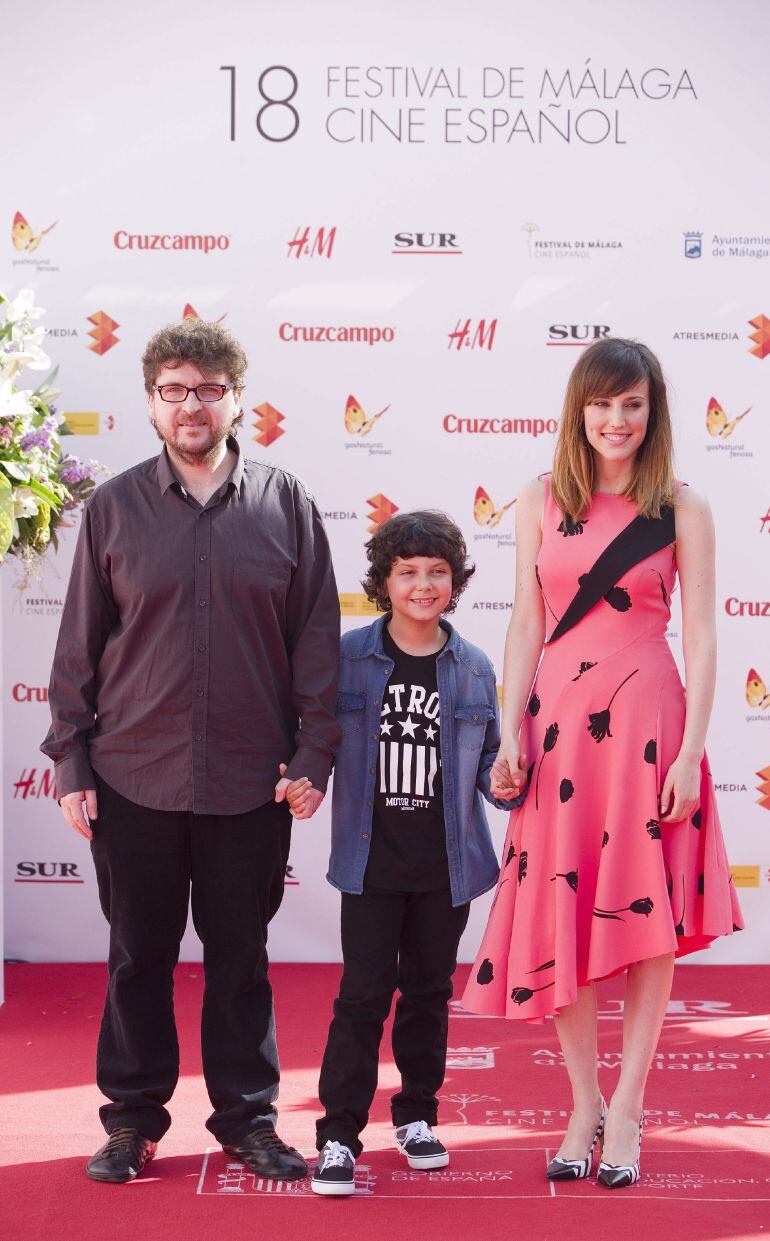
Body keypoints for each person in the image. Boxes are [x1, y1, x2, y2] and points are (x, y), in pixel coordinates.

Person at [41, 317, 340, 1183]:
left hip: (253, 780)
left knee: (241, 961)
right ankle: (132, 1123)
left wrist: (314, 754)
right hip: (133, 776)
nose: (191, 404)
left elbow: (316, 644)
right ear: (151, 403)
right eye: (174, 389)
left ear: (236, 398)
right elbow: (77, 649)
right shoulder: (115, 506)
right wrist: (71, 761)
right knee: (138, 958)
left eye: (208, 388)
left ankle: (246, 1121)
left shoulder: (287, 503)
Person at [462, 337, 743, 1189]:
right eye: (601, 404)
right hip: (559, 728)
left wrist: (691, 751)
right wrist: (508, 731)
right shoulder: (538, 498)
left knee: (644, 918)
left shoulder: (682, 507)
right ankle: (582, 1101)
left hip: (649, 726)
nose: (615, 421)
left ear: (651, 413)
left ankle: (628, 1105)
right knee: (562, 908)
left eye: (632, 405)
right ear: (577, 410)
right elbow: (523, 621)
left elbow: (698, 634)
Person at [306, 511, 524, 1196]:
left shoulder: (473, 668)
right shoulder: (349, 656)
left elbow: (493, 769)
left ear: (455, 581)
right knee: (363, 995)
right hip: (370, 865)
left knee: (428, 994)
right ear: (384, 580)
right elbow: (316, 737)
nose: (424, 584)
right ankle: (339, 1132)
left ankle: (417, 1115)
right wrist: (299, 773)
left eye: (437, 572)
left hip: (446, 867)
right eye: (409, 571)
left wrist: (503, 779)